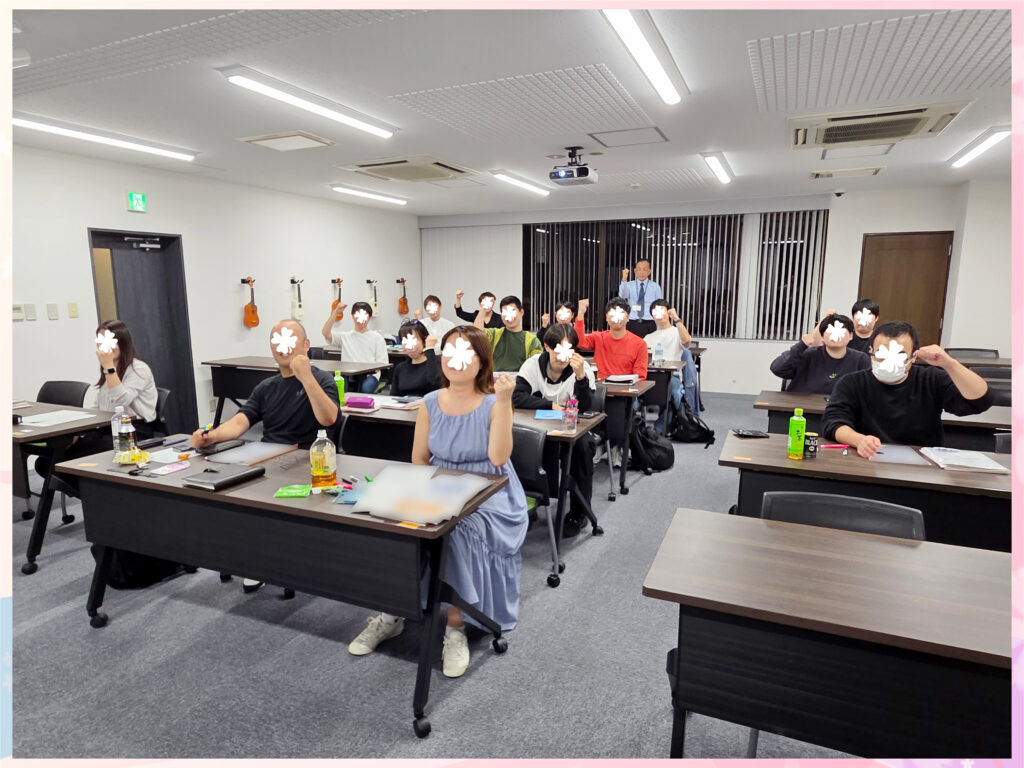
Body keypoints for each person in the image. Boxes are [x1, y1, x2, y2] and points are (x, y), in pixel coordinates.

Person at [348, 326, 528, 678]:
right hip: (441, 484)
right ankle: (392, 613)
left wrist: (505, 401)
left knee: (454, 533)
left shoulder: (494, 403)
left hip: (490, 493)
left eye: (466, 352)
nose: (456, 359)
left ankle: (455, 626)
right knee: (395, 523)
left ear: (482, 362)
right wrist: (422, 496)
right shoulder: (430, 402)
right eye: (450, 351)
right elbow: (419, 459)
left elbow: (497, 458)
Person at [193, 319, 340, 591]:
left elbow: (329, 418)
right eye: (277, 340)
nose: (283, 346)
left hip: (307, 462)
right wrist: (211, 436)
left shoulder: (322, 379)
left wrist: (306, 376)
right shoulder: (266, 387)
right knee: (223, 488)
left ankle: (268, 561)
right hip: (267, 458)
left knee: (263, 499)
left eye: (290, 339)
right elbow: (241, 422)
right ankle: (251, 556)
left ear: (306, 345)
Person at [820, 321, 992, 457]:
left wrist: (949, 364)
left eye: (899, 355)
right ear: (871, 351)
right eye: (881, 354)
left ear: (913, 356)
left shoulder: (931, 379)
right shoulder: (852, 382)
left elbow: (980, 401)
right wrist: (859, 440)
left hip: (922, 462)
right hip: (869, 458)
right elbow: (833, 422)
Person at [37, 320, 160, 479]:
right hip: (107, 429)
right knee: (48, 461)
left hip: (132, 432)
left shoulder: (138, 369)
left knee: (67, 463)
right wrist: (78, 428)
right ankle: (84, 487)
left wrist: (108, 367)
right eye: (100, 341)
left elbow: (121, 401)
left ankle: (90, 488)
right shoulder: (109, 369)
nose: (104, 346)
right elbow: (99, 406)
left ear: (122, 342)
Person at [512, 323, 596, 537]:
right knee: (520, 442)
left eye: (568, 350)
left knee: (582, 448)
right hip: (541, 426)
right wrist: (550, 406)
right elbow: (517, 397)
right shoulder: (533, 365)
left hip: (571, 428)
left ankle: (579, 512)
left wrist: (580, 377)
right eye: (558, 349)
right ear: (547, 346)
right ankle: (529, 502)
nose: (562, 356)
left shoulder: (581, 368)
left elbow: (585, 406)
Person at [769, 313, 870, 395]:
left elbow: (868, 389)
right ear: (822, 336)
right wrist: (801, 345)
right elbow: (777, 369)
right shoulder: (808, 354)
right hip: (803, 408)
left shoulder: (861, 359)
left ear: (851, 336)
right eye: (831, 331)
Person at [643, 299, 698, 429]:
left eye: (662, 310)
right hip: (651, 375)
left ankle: (683, 422)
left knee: (672, 391)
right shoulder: (648, 337)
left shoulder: (677, 332)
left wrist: (676, 319)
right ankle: (638, 426)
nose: (659, 314)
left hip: (672, 376)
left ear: (668, 312)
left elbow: (686, 341)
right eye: (655, 312)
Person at [321, 300, 388, 393]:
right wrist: (336, 312)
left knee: (365, 388)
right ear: (353, 316)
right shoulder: (345, 336)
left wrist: (371, 371)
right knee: (334, 388)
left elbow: (381, 363)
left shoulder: (377, 337)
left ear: (369, 318)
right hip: (348, 375)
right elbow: (325, 333)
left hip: (369, 376)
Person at [573, 297, 648, 379]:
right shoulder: (598, 337)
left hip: (626, 385)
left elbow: (640, 376)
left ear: (627, 317)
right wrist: (580, 314)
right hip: (600, 384)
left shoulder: (640, 344)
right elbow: (579, 342)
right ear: (606, 317)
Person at [479, 295, 542, 372]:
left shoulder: (532, 341)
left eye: (512, 311)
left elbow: (536, 367)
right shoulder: (494, 334)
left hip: (519, 379)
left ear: (521, 312)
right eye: (505, 312)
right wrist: (483, 309)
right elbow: (477, 332)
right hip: (495, 378)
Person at [391, 320, 442, 397]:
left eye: (414, 340)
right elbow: (393, 396)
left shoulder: (435, 363)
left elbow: (436, 384)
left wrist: (430, 349)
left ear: (424, 340)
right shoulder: (400, 368)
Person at [619, 260, 662, 338]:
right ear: (635, 271)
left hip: (649, 323)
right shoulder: (628, 285)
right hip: (632, 322)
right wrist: (624, 279)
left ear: (649, 272)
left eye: (645, 269)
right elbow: (622, 295)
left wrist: (659, 325)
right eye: (639, 269)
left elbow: (659, 306)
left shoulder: (655, 287)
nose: (642, 272)